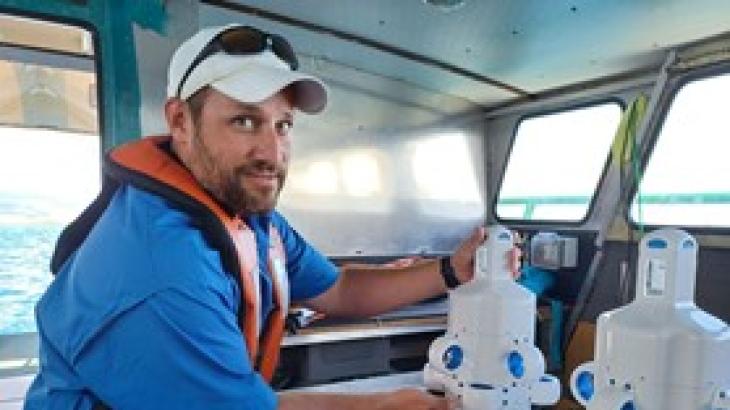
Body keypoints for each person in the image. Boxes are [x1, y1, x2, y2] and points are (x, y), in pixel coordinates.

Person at [24, 24, 486, 410]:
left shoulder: (244, 217)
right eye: (244, 121)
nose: (272, 153)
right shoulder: (163, 273)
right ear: (180, 122)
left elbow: (341, 289)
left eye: (282, 124)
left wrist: (451, 270)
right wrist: (383, 405)